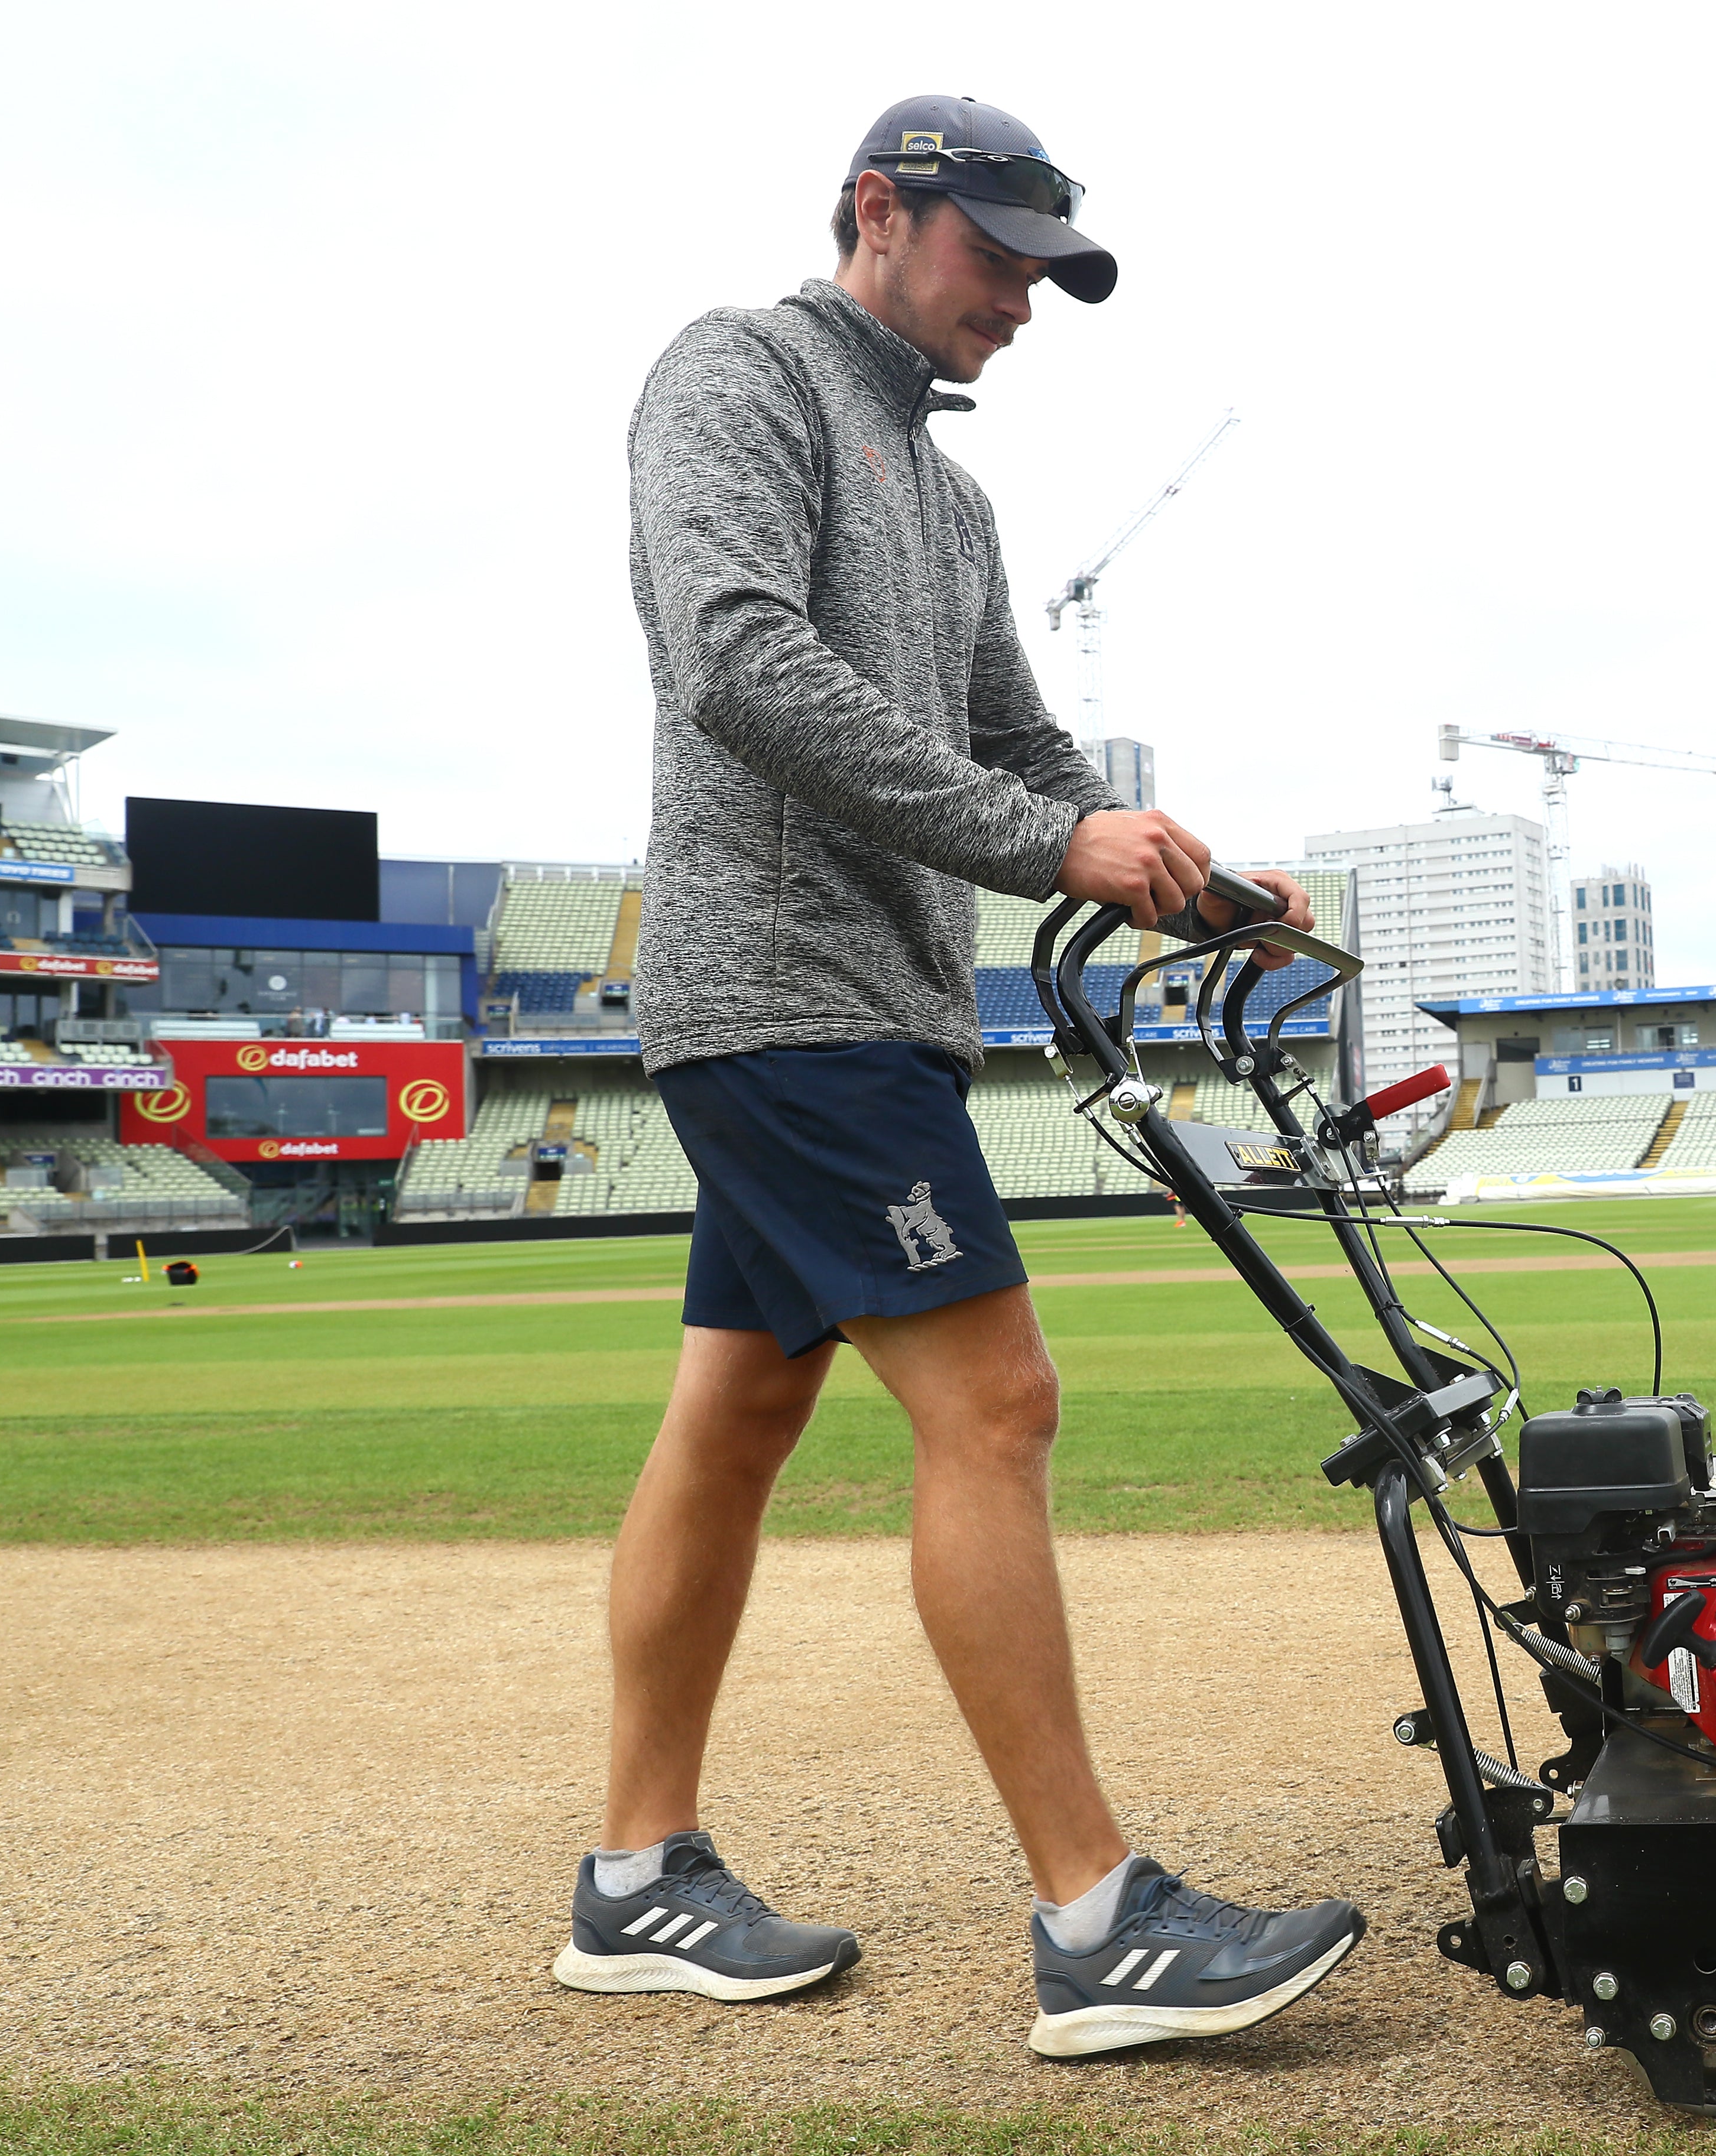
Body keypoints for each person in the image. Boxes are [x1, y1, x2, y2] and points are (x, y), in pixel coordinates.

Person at [556, 95, 1363, 2058]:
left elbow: (1013, 730)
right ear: (876, 213)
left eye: (1046, 270)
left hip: (877, 999)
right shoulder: (734, 376)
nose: (1024, 298)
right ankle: (1099, 1923)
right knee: (997, 1401)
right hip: (789, 988)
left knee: (733, 1430)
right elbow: (735, 655)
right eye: (995, 254)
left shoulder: (949, 495)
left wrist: (1166, 861)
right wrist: (1045, 849)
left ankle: (637, 1880)